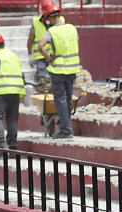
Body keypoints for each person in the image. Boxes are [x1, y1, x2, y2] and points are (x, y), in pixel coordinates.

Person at [38, 5, 81, 139]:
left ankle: (66, 129)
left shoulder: (52, 31)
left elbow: (40, 46)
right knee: (68, 99)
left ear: (50, 17)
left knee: (60, 99)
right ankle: (66, 126)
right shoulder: (72, 28)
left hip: (58, 69)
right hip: (72, 69)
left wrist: (48, 57)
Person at [0, 33, 25, 150]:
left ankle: (1, 143)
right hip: (16, 90)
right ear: (4, 43)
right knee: (12, 118)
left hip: (2, 90)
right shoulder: (13, 55)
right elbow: (22, 74)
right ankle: (13, 146)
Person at [27, 0, 58, 95]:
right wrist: (30, 55)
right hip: (41, 57)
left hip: (55, 56)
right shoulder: (36, 22)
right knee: (43, 79)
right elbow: (30, 40)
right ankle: (43, 99)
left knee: (56, 80)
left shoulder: (59, 21)